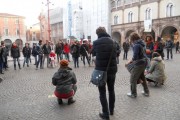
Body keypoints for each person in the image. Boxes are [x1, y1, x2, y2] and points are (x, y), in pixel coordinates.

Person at [92, 27, 117, 120]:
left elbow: (93, 53)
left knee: (102, 92)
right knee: (111, 90)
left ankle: (105, 114)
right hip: (112, 70)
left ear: (97, 34)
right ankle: (111, 110)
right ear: (105, 32)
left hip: (100, 71)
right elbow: (117, 53)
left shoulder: (96, 42)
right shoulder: (113, 42)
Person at [126, 32, 149, 98]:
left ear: (132, 38)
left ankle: (133, 93)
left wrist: (130, 61)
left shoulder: (136, 45)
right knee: (142, 77)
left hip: (139, 63)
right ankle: (146, 91)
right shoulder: (142, 43)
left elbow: (135, 56)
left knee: (133, 79)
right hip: (144, 62)